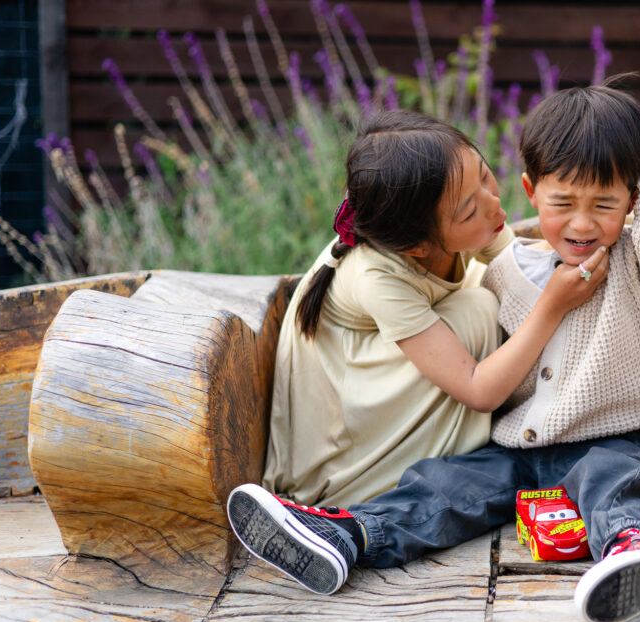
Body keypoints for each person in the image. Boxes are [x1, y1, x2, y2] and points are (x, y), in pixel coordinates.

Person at [228, 81, 640, 622]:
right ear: (534, 191)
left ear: (632, 200)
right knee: (443, 488)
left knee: (614, 483)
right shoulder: (502, 271)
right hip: (518, 449)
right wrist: (552, 299)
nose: (581, 223)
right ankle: (349, 535)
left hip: (610, 437)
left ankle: (636, 551)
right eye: (563, 203)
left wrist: (638, 143)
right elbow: (485, 380)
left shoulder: (633, 266)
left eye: (604, 204)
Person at [260, 110, 608, 508]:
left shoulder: (454, 215)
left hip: (391, 370)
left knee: (495, 285)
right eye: (469, 210)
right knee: (479, 307)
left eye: (484, 174)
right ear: (416, 246)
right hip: (345, 422)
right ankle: (405, 478)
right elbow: (478, 390)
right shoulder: (378, 276)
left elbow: (514, 266)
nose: (493, 204)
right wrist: (552, 306)